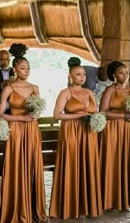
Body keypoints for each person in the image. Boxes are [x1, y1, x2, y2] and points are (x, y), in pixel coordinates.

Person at [49, 57, 102, 219]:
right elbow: (56, 115)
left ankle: (88, 205)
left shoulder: (90, 93)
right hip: (71, 133)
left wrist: (95, 119)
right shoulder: (65, 93)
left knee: (88, 166)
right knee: (71, 165)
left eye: (84, 74)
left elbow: (96, 113)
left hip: (88, 134)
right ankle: (68, 205)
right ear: (70, 76)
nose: (82, 77)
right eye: (78, 74)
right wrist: (77, 116)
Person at [0, 43, 47, 223]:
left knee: (33, 165)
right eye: (22, 68)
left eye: (28, 68)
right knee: (17, 166)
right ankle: (17, 207)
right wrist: (20, 119)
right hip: (17, 131)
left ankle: (34, 207)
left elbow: (38, 110)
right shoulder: (8, 89)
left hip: (33, 131)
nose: (26, 71)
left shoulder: (35, 87)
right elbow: (1, 114)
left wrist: (36, 114)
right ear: (14, 69)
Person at [99, 60, 130, 211]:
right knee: (113, 161)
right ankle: (109, 199)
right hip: (113, 130)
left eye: (126, 73)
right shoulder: (110, 90)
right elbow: (102, 111)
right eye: (121, 73)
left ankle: (125, 199)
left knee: (127, 161)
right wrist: (123, 115)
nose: (125, 75)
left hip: (129, 130)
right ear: (114, 75)